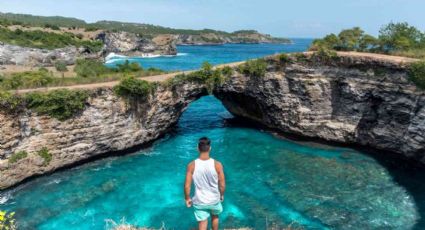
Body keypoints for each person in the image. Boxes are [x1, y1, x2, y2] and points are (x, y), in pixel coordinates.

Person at [184, 137, 226, 230]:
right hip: (214, 199)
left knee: (203, 222)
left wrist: (187, 198)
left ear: (197, 148)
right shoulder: (217, 164)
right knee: (215, 216)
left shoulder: (191, 165)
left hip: (200, 201)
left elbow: (187, 186)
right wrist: (222, 195)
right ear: (210, 148)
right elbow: (222, 184)